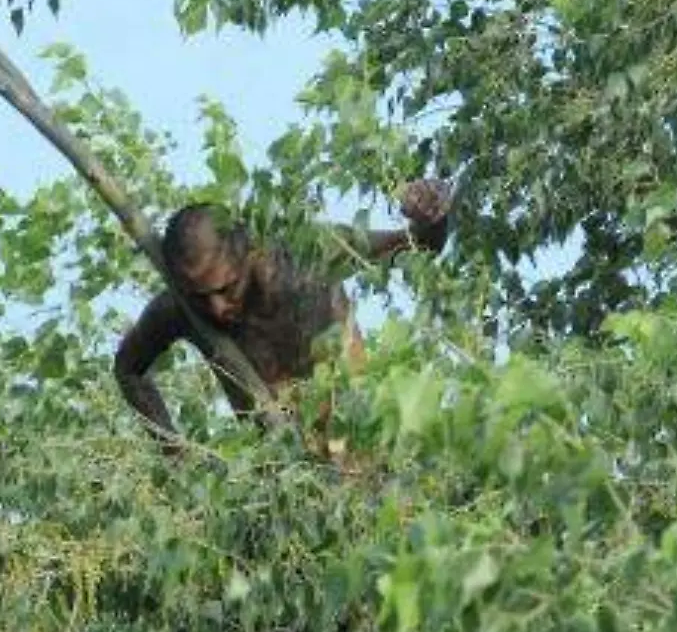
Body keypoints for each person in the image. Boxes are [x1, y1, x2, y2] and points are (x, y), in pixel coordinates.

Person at [113, 180, 452, 457]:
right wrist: (175, 452)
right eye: (200, 296)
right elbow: (128, 369)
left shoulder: (305, 253)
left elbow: (417, 247)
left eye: (227, 288)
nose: (216, 308)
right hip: (285, 488)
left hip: (372, 453)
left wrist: (433, 215)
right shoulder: (181, 308)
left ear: (251, 254)